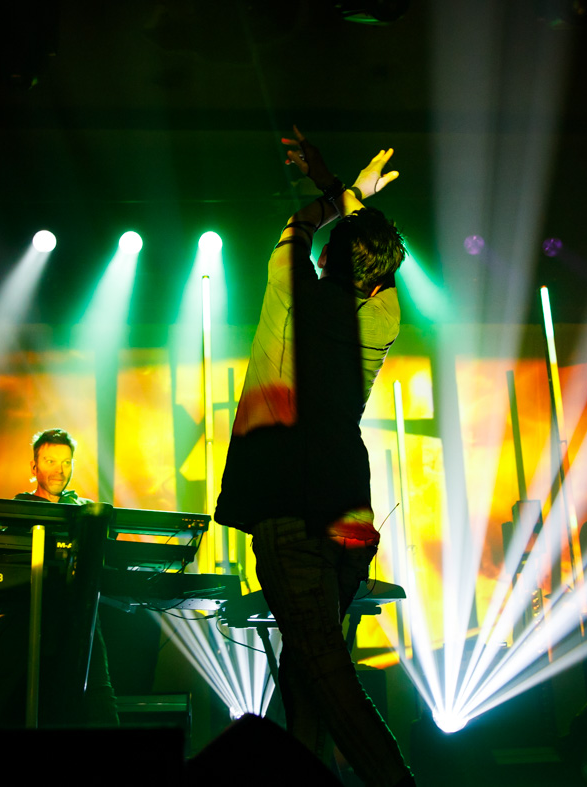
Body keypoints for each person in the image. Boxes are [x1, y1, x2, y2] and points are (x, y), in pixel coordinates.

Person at [215, 128, 414, 786]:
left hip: (291, 506)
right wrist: (352, 197)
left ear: (329, 258)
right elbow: (367, 257)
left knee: (326, 678)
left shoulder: (289, 289)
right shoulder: (384, 318)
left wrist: (338, 191)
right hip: (350, 516)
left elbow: (296, 225)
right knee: (306, 673)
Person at [0, 428, 118, 727]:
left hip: (78, 613)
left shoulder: (85, 511)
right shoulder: (19, 507)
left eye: (66, 462)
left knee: (98, 695)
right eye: (50, 461)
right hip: (22, 608)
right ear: (34, 466)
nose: (59, 471)